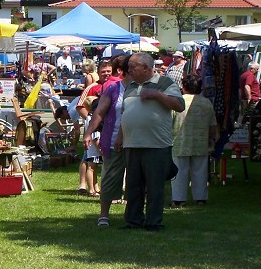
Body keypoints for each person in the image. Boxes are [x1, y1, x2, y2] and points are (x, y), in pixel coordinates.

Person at [119, 52, 184, 230]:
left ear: (146, 68)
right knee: (133, 186)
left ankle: (153, 222)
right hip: (132, 144)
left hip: (156, 145)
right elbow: (125, 113)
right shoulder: (130, 85)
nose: (129, 70)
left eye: (133, 67)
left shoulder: (164, 83)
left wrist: (157, 95)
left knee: (155, 186)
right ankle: (133, 220)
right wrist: (120, 138)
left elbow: (179, 105)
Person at [83, 55, 130, 228]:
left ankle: (132, 214)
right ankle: (104, 215)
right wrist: (89, 133)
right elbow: (99, 112)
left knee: (135, 179)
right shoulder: (113, 89)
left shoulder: (142, 89)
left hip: (137, 141)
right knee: (110, 177)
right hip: (112, 140)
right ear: (125, 71)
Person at [170, 75, 218, 207]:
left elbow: (170, 121)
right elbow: (213, 124)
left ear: (183, 86)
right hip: (201, 141)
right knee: (200, 171)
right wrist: (211, 138)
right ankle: (200, 198)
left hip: (179, 141)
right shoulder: (206, 103)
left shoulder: (177, 101)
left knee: (179, 172)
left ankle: (179, 199)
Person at [75, 59, 114, 194]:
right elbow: (80, 106)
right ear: (98, 73)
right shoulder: (92, 88)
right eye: (103, 72)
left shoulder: (115, 85)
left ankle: (97, 187)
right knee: (88, 158)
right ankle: (82, 185)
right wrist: (92, 122)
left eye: (109, 71)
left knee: (100, 160)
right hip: (94, 128)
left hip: (109, 128)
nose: (106, 74)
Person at [81, 96, 101, 197]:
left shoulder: (88, 117)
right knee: (91, 168)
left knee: (94, 168)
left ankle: (96, 187)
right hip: (93, 148)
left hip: (91, 147)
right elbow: (95, 136)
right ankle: (91, 189)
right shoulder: (92, 119)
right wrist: (99, 148)